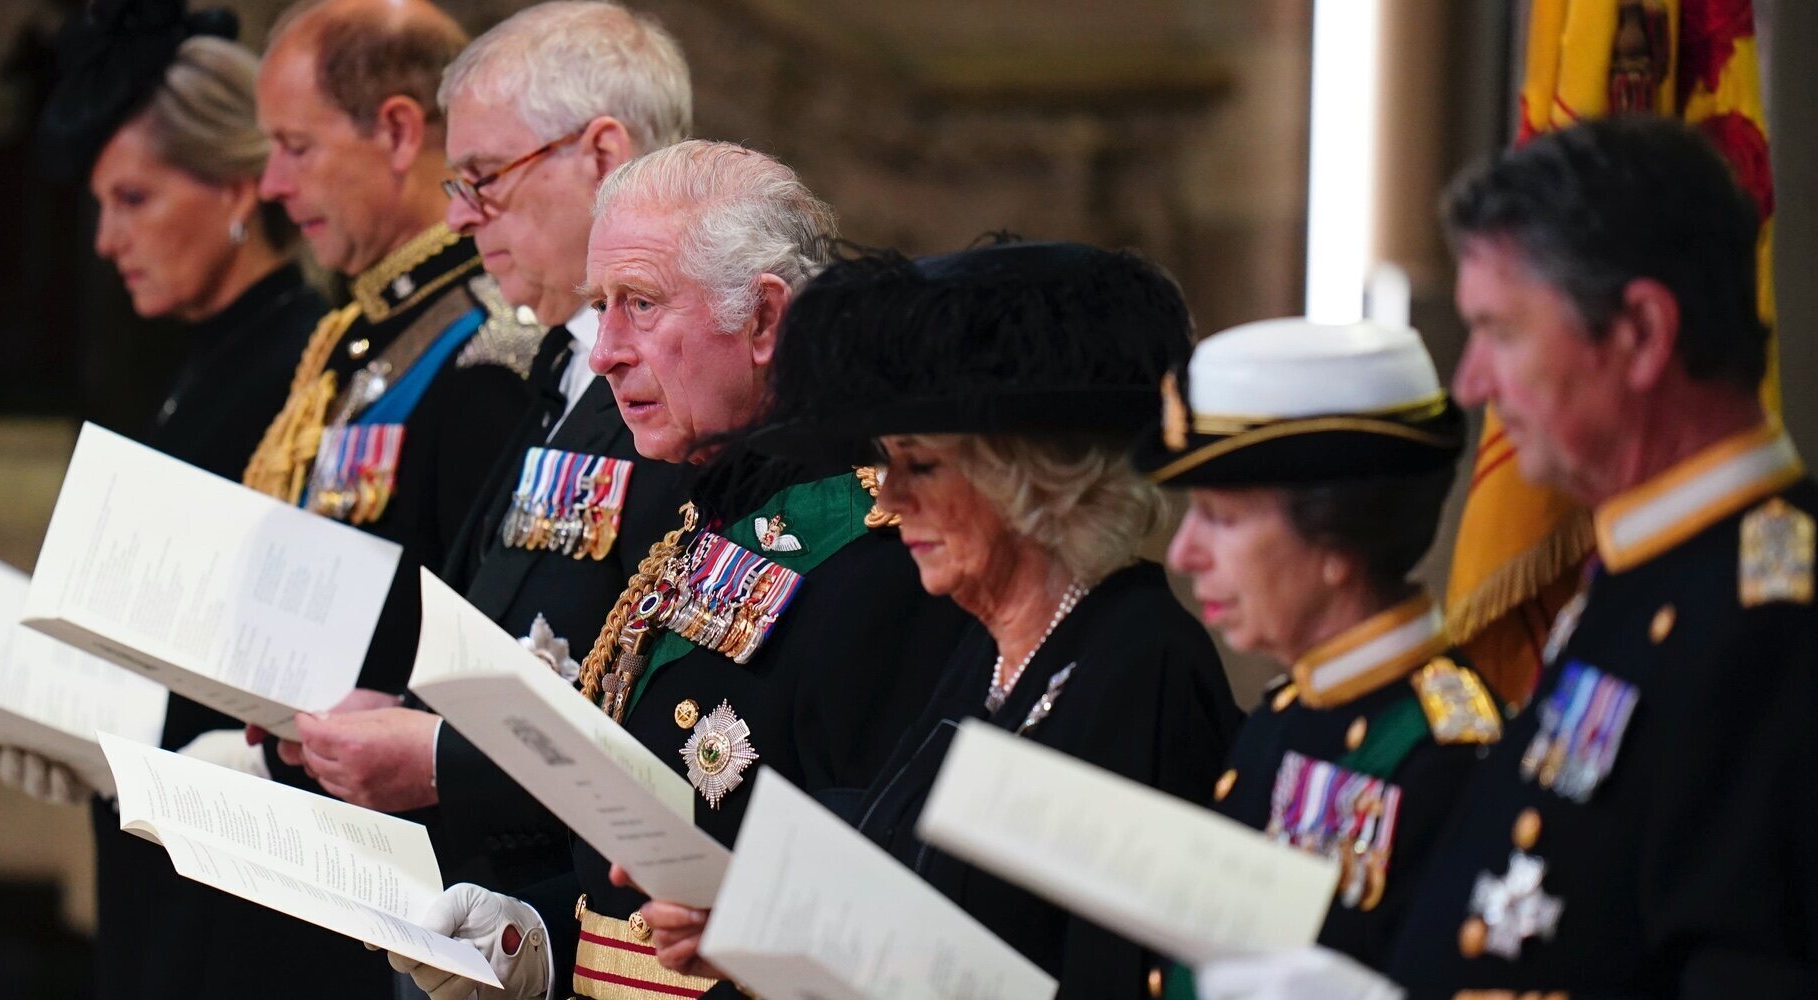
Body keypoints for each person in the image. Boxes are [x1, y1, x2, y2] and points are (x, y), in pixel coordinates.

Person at [1204, 117, 1818, 999]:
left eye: (1501, 332)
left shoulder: (1772, 608)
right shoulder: (1642, 573)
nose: (1472, 384)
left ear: (1640, 332)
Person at [387, 139, 971, 1000]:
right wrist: (535, 941)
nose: (605, 351)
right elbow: (643, 878)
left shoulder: (876, 557)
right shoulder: (709, 514)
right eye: (600, 306)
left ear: (766, 320)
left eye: (642, 304)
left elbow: (872, 916)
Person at [626, 240, 1246, 997]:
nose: (887, 500)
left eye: (919, 466)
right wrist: (762, 928)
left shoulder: (1141, 669)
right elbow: (919, 923)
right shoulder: (990, 651)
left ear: (1032, 481)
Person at [0, 3, 387, 997]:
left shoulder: (306, 364)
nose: (108, 238)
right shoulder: (198, 358)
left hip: (256, 897)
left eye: (134, 199)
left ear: (242, 186)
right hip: (161, 857)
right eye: (101, 206)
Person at [276, 2, 694, 905]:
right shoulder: (556, 355)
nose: (460, 218)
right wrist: (399, 720)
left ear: (604, 157)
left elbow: (650, 711)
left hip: (573, 907)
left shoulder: (684, 382)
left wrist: (436, 757)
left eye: (484, 178)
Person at [1143, 317, 1495, 1000]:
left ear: (1337, 540)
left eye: (1221, 517)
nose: (1184, 553)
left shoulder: (1445, 753)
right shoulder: (1286, 711)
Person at [236, 0, 546, 772]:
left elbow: (477, 635)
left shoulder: (491, 344)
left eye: (295, 147)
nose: (271, 183)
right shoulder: (360, 330)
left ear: (401, 134)